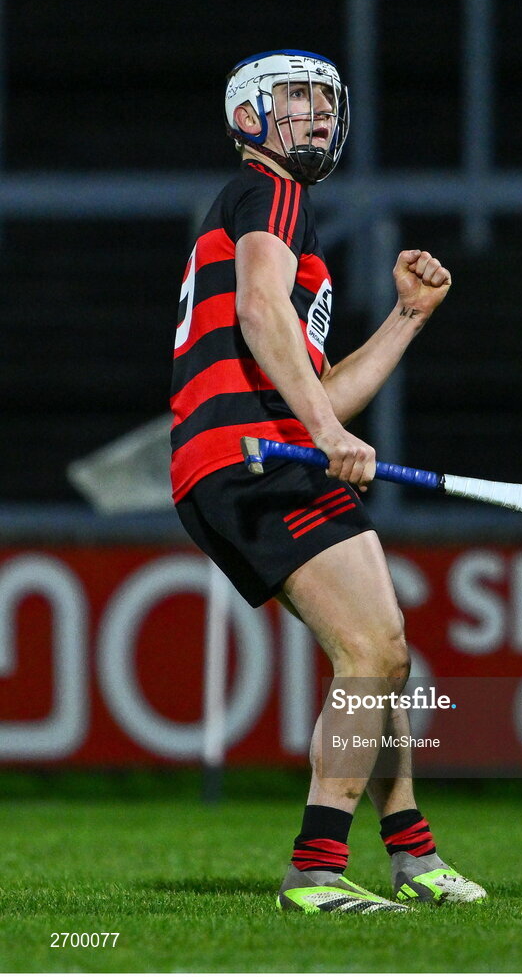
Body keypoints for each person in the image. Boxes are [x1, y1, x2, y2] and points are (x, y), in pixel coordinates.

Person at [170, 49, 486, 914]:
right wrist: (322, 432)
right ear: (250, 121)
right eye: (296, 100)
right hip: (255, 456)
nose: (314, 115)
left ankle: (412, 855)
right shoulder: (269, 192)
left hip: (266, 449)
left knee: (384, 651)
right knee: (371, 651)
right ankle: (314, 870)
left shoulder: (279, 208)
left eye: (323, 101)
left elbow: (313, 379)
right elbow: (261, 314)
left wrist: (404, 320)